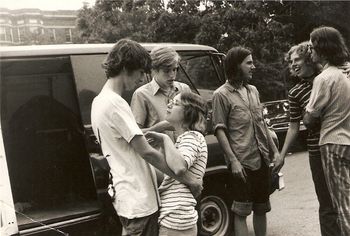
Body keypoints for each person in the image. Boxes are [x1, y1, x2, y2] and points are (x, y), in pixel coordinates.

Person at [90, 39, 201, 236]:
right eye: (141, 72)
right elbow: (147, 152)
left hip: (127, 196)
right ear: (126, 67)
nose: (142, 79)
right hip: (139, 199)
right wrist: (189, 180)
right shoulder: (116, 103)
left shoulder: (99, 101)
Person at [212, 46, 279, 236]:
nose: (253, 66)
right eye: (249, 63)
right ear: (236, 66)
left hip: (262, 159)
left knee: (261, 208)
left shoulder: (253, 91)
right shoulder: (221, 95)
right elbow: (219, 130)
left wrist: (275, 152)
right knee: (241, 212)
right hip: (242, 163)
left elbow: (262, 124)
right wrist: (233, 161)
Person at [274, 42, 340, 236]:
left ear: (310, 59)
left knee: (344, 197)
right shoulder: (295, 93)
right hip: (317, 151)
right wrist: (282, 155)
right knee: (326, 203)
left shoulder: (330, 78)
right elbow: (293, 127)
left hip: (339, 145)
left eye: (297, 60)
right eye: (291, 61)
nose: (293, 64)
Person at [303, 26, 350, 236]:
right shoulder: (347, 72)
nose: (310, 52)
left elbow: (309, 117)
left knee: (343, 202)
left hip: (332, 142)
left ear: (322, 49)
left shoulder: (324, 78)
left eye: (313, 47)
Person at [146, 91, 208, 236]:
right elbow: (168, 178)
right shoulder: (184, 139)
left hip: (177, 220)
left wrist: (165, 140)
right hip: (176, 219)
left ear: (188, 113)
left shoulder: (192, 137)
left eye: (175, 104)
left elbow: (179, 168)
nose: (169, 105)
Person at [131, 46, 191, 141]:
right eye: (166, 71)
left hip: (185, 152)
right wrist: (159, 128)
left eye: (174, 69)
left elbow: (194, 124)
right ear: (154, 70)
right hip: (160, 154)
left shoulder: (184, 89)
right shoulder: (142, 94)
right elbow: (134, 135)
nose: (172, 75)